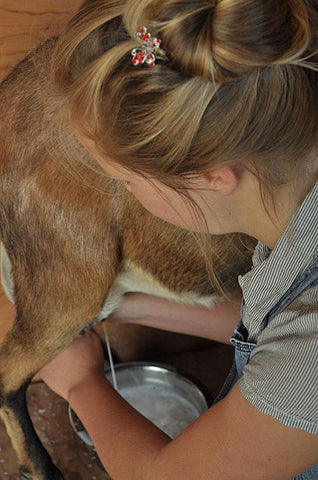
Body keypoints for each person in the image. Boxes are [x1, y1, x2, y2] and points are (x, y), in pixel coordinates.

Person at [39, 0, 318, 478]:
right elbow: (282, 334)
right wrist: (129, 306)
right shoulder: (295, 192)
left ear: (212, 176)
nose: (125, 191)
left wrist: (81, 383)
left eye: (126, 181)